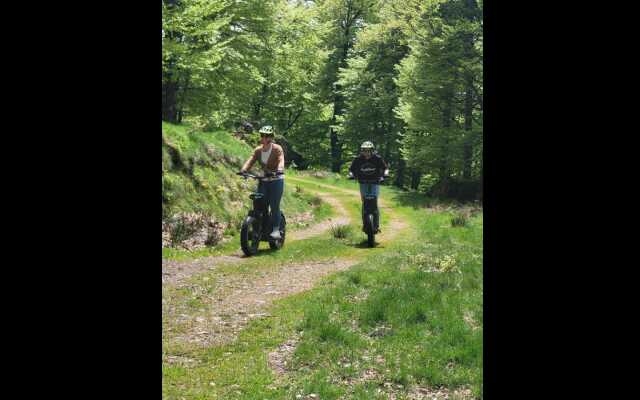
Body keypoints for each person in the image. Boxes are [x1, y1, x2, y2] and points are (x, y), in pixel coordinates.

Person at [240, 125, 285, 239]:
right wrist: (244, 170)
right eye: (262, 135)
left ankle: (276, 230)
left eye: (266, 135)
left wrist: (279, 170)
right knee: (260, 204)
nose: (264, 137)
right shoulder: (258, 150)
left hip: (276, 180)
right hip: (264, 180)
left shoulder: (277, 149)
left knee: (274, 205)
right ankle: (259, 227)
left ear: (271, 137)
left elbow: (281, 160)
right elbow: (250, 160)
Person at [348, 141, 389, 233]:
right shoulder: (358, 159)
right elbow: (351, 169)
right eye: (364, 151)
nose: (366, 153)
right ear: (361, 151)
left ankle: (376, 226)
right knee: (364, 202)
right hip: (363, 182)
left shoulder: (377, 158)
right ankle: (365, 225)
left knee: (374, 202)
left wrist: (385, 174)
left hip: (375, 182)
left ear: (372, 151)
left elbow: (385, 168)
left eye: (368, 151)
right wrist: (351, 175)